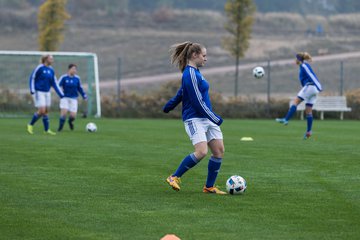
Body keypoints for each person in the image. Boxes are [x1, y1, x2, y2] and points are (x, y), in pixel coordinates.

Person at [163, 41, 226, 194]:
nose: (206, 59)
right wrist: (214, 117)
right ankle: (174, 177)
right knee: (201, 151)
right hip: (195, 119)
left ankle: (209, 187)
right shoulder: (189, 73)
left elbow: (181, 94)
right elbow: (197, 101)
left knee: (219, 151)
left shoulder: (195, 73)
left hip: (206, 118)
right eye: (204, 56)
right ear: (194, 55)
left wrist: (169, 106)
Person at [276, 52, 322, 139]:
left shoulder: (304, 65)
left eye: (296, 58)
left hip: (310, 86)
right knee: (308, 111)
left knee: (295, 102)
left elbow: (312, 75)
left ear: (298, 59)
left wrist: (319, 86)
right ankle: (309, 131)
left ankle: (286, 119)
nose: (295, 60)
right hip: (313, 89)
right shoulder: (303, 66)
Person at [27, 54, 64, 135]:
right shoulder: (39, 68)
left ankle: (46, 130)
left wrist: (61, 94)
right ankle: (30, 124)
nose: (52, 60)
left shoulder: (51, 70)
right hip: (39, 92)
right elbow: (32, 78)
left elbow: (54, 83)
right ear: (46, 59)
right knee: (42, 110)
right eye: (51, 58)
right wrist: (32, 90)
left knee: (45, 111)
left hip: (47, 92)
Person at [57, 64, 87, 131]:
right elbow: (58, 86)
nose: (74, 70)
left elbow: (80, 88)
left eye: (75, 69)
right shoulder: (64, 77)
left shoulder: (77, 78)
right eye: (73, 69)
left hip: (73, 98)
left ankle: (70, 122)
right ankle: (60, 128)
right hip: (65, 98)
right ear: (69, 69)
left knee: (73, 116)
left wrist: (84, 95)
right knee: (64, 113)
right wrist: (60, 93)